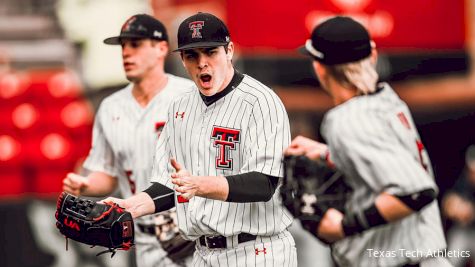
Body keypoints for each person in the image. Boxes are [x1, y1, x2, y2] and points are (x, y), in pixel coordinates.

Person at [102, 12, 298, 266]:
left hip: (258, 250)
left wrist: (199, 185)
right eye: (192, 55)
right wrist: (129, 206)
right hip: (202, 255)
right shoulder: (179, 107)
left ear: (229, 50)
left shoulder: (261, 101)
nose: (202, 63)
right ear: (182, 59)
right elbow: (169, 184)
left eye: (210, 52)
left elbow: (265, 183)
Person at [285, 16, 450, 266]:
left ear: (319, 68)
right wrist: (330, 152)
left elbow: (416, 192)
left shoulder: (346, 119)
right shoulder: (386, 100)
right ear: (372, 55)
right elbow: (391, 158)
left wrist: (344, 226)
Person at [62, 14, 195, 267]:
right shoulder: (110, 107)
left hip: (193, 235)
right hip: (144, 240)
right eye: (123, 46)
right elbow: (108, 174)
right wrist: (87, 185)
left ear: (161, 49)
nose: (126, 52)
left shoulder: (189, 96)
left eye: (135, 44)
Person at [442, 145, 475, 266]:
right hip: (461, 230)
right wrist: (453, 207)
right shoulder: (462, 181)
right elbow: (447, 203)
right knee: (452, 258)